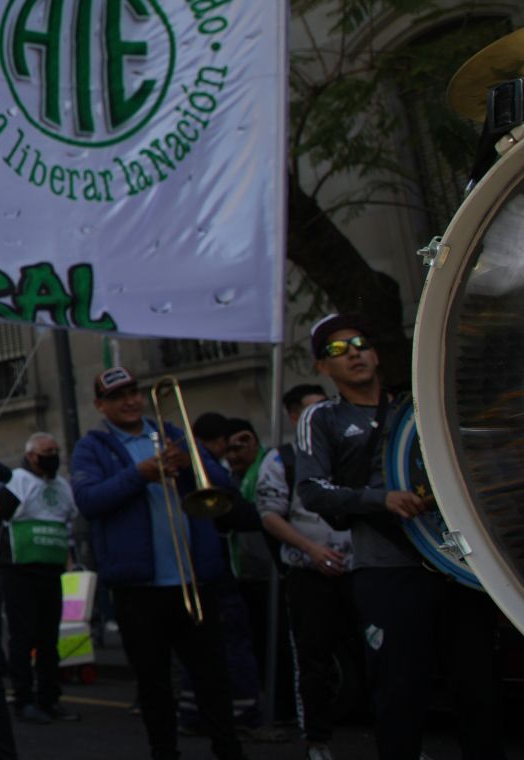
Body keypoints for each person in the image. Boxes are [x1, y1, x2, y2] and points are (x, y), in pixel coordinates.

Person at [296, 313, 503, 760]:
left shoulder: (419, 409)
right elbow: (312, 490)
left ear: (374, 352)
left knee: (479, 691)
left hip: (454, 567)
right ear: (322, 368)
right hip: (388, 572)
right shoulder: (323, 417)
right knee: (399, 694)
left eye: (359, 342)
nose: (352, 351)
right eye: (336, 349)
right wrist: (381, 499)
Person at [70, 366, 245, 760]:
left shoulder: (174, 434)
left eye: (133, 392)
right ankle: (164, 752)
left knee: (213, 677)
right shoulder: (93, 446)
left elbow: (221, 486)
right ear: (101, 405)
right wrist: (139, 474)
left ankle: (229, 751)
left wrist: (187, 462)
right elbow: (90, 500)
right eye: (117, 396)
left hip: (193, 578)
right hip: (139, 588)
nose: (130, 401)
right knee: (154, 683)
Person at [256, 383, 349, 760]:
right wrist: (312, 550)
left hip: (360, 571)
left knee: (383, 658)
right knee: (312, 660)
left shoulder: (348, 452)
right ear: (296, 417)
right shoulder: (281, 460)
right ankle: (316, 739)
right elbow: (269, 517)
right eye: (313, 410)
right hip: (309, 574)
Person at [0, 432, 79, 726]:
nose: (54, 454)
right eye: (48, 450)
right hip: (21, 570)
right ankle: (24, 698)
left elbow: (67, 520)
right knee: (22, 635)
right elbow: (1, 514)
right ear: (32, 455)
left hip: (51, 569)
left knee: (49, 637)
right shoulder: (19, 479)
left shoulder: (61, 485)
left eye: (56, 449)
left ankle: (50, 697)